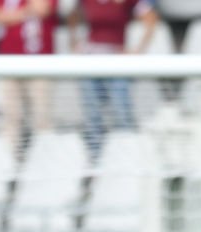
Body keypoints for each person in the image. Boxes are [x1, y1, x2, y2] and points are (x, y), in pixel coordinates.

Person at [67, 0, 158, 155]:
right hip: (90, 62)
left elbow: (151, 19)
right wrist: (74, 41)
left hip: (117, 61)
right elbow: (73, 15)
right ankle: (95, 161)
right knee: (92, 115)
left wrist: (138, 50)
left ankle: (127, 157)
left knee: (121, 111)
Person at [0, 0, 57, 150]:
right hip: (9, 62)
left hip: (39, 63)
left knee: (42, 118)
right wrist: (26, 12)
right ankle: (9, 161)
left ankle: (46, 160)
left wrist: (13, 16)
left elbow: (42, 9)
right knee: (10, 118)